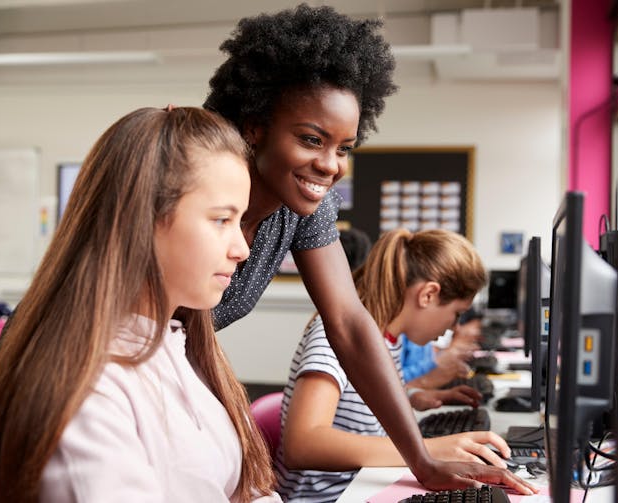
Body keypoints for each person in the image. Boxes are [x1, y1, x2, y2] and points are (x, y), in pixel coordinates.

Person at [203, 3, 527, 490]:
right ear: (253, 125)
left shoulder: (303, 209)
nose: (332, 165)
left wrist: (421, 458)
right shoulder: (198, 193)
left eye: (344, 147)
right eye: (312, 139)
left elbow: (352, 324)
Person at [0, 107, 280, 502]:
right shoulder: (86, 395)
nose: (242, 249)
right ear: (143, 220)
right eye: (222, 220)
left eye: (240, 222)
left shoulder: (185, 352)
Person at [274, 229, 537, 501]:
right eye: (456, 313)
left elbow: (358, 403)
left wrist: (413, 395)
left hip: (364, 487)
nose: (455, 326)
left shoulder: (389, 339)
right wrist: (426, 450)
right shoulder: (334, 339)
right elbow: (302, 444)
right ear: (428, 295)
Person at [402, 308, 483, 390]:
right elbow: (397, 382)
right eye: (456, 314)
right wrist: (437, 362)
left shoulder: (421, 335)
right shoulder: (408, 333)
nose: (456, 327)